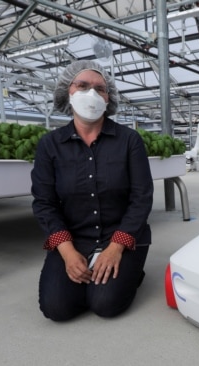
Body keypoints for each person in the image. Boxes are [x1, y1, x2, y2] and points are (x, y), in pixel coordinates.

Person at [31, 60, 154, 321]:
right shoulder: (50, 145)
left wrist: (115, 248)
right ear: (68, 91)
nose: (92, 94)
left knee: (105, 305)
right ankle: (92, 271)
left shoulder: (129, 140)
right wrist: (66, 251)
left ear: (109, 98)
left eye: (100, 88)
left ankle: (132, 269)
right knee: (57, 309)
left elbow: (141, 198)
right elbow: (44, 202)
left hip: (121, 234)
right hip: (74, 237)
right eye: (83, 85)